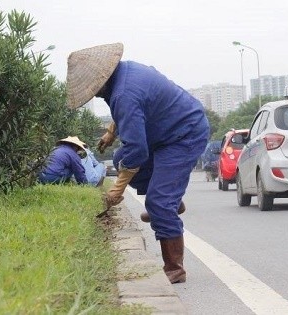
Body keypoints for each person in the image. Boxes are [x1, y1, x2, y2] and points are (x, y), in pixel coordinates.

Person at [65, 43, 209, 284]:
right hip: (163, 133)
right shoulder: (126, 72)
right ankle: (169, 203)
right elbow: (132, 110)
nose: (95, 95)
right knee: (121, 158)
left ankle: (174, 268)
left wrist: (116, 189)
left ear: (102, 80)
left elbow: (138, 149)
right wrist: (111, 131)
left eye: (94, 91)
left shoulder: (124, 94)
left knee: (159, 201)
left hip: (184, 134)